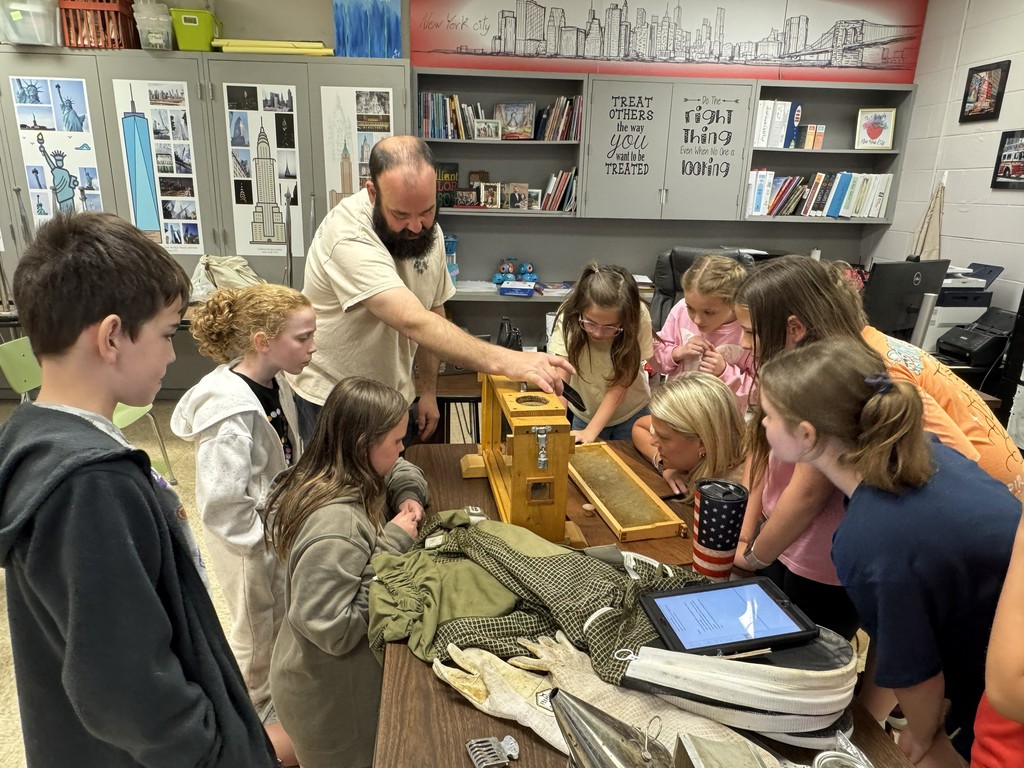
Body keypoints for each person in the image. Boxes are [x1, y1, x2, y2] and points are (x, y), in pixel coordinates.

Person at [0, 212, 276, 766]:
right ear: (111, 336)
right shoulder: (91, 485)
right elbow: (126, 687)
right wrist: (223, 753)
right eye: (167, 334)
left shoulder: (34, 432)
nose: (173, 355)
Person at [757, 339, 1019, 765]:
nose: (763, 425)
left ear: (806, 434)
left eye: (768, 416)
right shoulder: (930, 451)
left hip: (1000, 684)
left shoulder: (869, 539)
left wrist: (923, 732)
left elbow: (919, 677)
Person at [732, 255, 1024, 638]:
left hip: (984, 535)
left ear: (794, 328)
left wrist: (754, 555)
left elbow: (808, 492)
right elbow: (767, 456)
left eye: (750, 331)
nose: (741, 342)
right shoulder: (836, 352)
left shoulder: (854, 370)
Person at [288, 135, 572, 443]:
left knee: (397, 485)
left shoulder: (429, 232)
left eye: (426, 210)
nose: (415, 226)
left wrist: (428, 391)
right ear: (373, 193)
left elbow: (433, 310)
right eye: (400, 215)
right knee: (342, 491)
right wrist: (510, 361)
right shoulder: (347, 235)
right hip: (335, 399)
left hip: (394, 395)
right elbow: (413, 320)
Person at [171, 284, 317, 766]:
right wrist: (266, 546)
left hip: (275, 537)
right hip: (253, 550)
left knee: (275, 630)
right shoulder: (230, 413)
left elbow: (283, 459)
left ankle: (273, 710)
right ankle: (248, 739)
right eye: (303, 338)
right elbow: (223, 506)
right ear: (262, 340)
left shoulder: (278, 384)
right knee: (254, 638)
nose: (312, 348)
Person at [266, 376, 428, 768]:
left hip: (327, 686)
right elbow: (332, 629)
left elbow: (400, 469)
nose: (403, 448)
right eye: (396, 440)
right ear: (362, 445)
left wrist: (407, 496)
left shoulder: (338, 467)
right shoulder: (336, 527)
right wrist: (391, 544)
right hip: (329, 704)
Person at [634, 254, 755, 473]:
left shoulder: (746, 330)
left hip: (722, 431)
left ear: (733, 304)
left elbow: (758, 391)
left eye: (709, 312)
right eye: (691, 308)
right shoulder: (680, 310)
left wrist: (725, 371)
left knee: (715, 478)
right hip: (678, 420)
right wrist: (676, 353)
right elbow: (657, 357)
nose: (697, 320)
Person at [547, 263, 653, 444]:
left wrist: (591, 432)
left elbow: (623, 381)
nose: (597, 333)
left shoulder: (638, 315)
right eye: (590, 323)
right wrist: (559, 425)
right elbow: (561, 375)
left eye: (610, 327)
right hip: (586, 412)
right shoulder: (569, 315)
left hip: (632, 414)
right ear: (580, 311)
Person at [642, 372, 745, 502]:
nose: (653, 441)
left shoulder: (737, 487)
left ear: (703, 443)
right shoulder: (676, 429)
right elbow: (639, 426)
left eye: (663, 437)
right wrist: (663, 465)